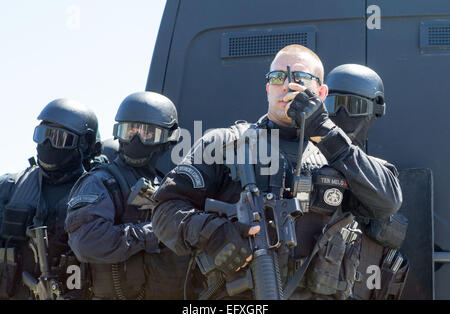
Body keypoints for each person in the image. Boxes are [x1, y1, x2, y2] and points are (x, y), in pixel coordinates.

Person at [150, 44, 403, 300]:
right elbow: (164, 211)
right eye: (278, 77)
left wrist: (326, 132)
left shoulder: (338, 152)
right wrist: (215, 234)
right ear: (268, 88)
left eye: (300, 78)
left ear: (321, 92)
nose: (287, 86)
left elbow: (387, 202)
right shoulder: (224, 143)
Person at [65, 91, 190, 300]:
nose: (136, 139)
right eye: (130, 130)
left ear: (168, 139)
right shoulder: (100, 182)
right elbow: (88, 242)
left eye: (147, 133)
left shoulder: (166, 184)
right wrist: (155, 232)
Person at [0, 98, 100, 299]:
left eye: (58, 138)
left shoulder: (97, 192)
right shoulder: (11, 186)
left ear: (84, 143)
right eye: (42, 135)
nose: (47, 144)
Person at [325, 64, 409, 300]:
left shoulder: (380, 174)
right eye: (333, 104)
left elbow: (388, 201)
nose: (342, 114)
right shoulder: (304, 162)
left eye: (354, 106)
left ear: (376, 109)